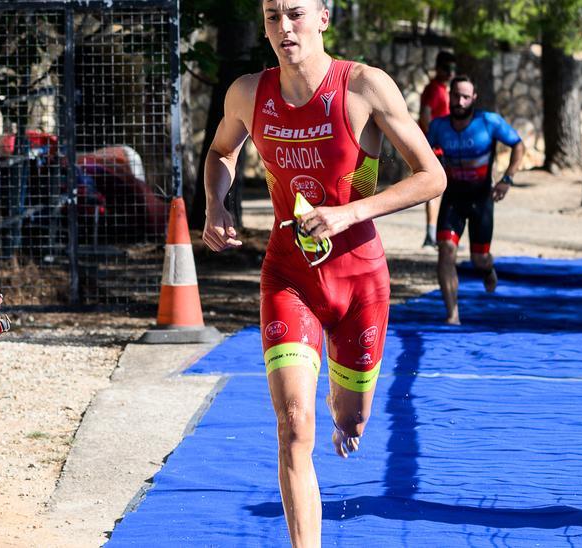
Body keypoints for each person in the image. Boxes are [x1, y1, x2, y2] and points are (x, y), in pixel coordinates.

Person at [200, 1, 446, 545]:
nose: (283, 28)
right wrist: (216, 205)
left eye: (295, 14)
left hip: (360, 280)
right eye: (270, 16)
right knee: (292, 426)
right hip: (290, 278)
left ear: (324, 18)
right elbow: (220, 153)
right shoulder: (247, 93)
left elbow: (432, 178)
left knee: (353, 420)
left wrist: (349, 212)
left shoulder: (364, 87)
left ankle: (343, 410)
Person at [426, 75, 525, 325]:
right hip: (452, 199)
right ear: (449, 96)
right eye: (455, 96)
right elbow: (424, 154)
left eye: (465, 97)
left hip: (481, 199)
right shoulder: (438, 126)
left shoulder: (489, 122)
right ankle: (452, 315)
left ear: (474, 99)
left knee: (479, 259)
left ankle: (488, 269)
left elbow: (518, 145)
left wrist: (507, 179)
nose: (459, 101)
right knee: (446, 251)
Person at [418, 51, 455, 247]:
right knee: (434, 191)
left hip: (441, 147)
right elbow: (425, 115)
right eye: (447, 68)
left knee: (442, 191)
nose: (451, 72)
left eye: (453, 69)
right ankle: (431, 235)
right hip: (435, 148)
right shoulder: (434, 89)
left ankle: (440, 234)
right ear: (439, 68)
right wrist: (432, 140)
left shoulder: (442, 88)